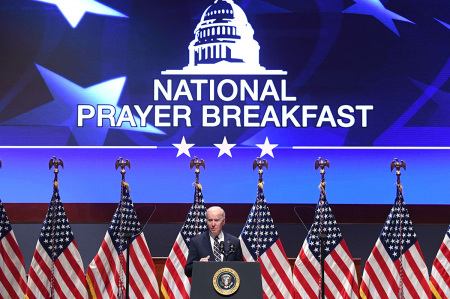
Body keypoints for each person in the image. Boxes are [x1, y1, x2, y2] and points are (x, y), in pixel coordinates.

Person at [184, 206, 244, 277]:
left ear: (223, 221)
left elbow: (241, 269)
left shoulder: (234, 242)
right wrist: (198, 265)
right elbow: (187, 271)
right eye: (210, 220)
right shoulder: (197, 242)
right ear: (206, 221)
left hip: (227, 285)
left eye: (216, 220)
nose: (213, 224)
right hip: (206, 286)